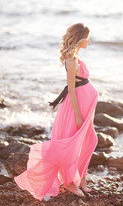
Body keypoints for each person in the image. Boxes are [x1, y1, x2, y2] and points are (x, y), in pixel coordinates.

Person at [14, 23, 98, 200]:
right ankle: (69, 182)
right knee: (71, 146)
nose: (89, 41)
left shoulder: (76, 57)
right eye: (87, 38)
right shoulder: (71, 60)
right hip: (77, 107)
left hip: (86, 106)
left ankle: (82, 179)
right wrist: (77, 116)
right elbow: (72, 90)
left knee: (90, 141)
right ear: (80, 38)